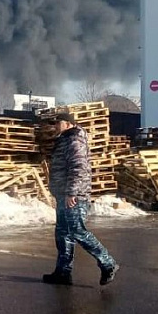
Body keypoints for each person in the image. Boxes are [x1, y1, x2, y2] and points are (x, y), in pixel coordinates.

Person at [43, 112, 119, 286]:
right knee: (63, 233)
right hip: (63, 194)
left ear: (68, 123)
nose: (55, 126)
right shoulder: (64, 140)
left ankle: (108, 263)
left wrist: (71, 192)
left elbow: (79, 168)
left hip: (74, 196)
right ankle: (63, 272)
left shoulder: (75, 141)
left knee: (78, 231)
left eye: (58, 123)